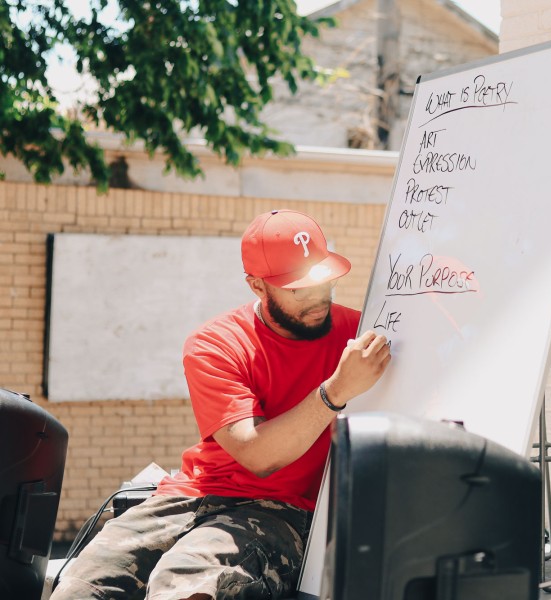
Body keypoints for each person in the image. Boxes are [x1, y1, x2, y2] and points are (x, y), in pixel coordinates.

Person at [51, 209, 392, 600]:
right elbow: (255, 453)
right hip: (191, 495)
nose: (317, 297)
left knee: (185, 587)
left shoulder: (361, 339)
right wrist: (334, 392)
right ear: (256, 286)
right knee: (81, 586)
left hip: (282, 509)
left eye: (323, 280)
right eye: (298, 288)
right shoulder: (216, 343)